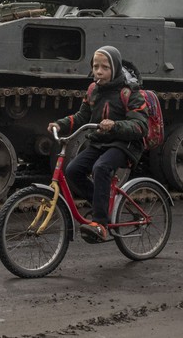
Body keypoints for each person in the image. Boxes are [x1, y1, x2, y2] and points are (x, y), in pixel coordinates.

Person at [48, 45, 149, 243]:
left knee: (101, 167)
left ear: (116, 68)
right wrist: (60, 124)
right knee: (73, 170)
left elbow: (140, 126)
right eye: (96, 66)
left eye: (105, 67)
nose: (99, 72)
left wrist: (115, 125)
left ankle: (101, 224)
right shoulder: (94, 90)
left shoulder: (129, 92)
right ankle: (101, 203)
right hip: (100, 142)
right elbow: (82, 116)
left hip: (125, 144)